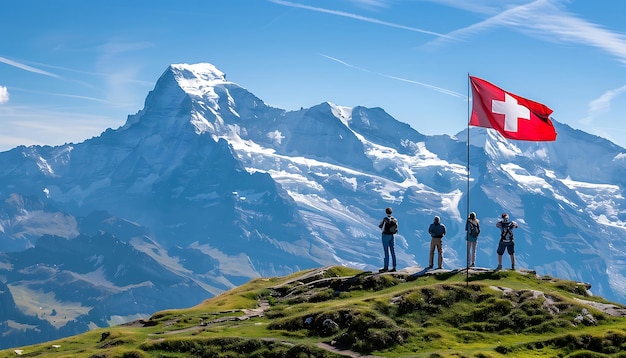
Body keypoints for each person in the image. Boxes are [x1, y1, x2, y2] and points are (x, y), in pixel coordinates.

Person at [378, 207, 398, 273]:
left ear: (386, 212)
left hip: (385, 236)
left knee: (386, 251)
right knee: (393, 251)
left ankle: (386, 267)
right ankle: (394, 267)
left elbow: (381, 226)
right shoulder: (395, 219)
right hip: (392, 236)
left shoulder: (385, 219)